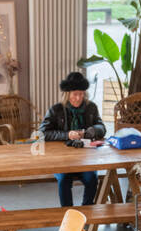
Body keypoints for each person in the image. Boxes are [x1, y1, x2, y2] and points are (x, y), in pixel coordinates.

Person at [39, 70, 107, 208]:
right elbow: (42, 133)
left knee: (92, 179)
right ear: (67, 94)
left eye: (81, 94)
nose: (78, 98)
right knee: (64, 180)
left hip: (86, 158)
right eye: (75, 94)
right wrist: (66, 135)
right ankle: (68, 213)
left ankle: (87, 210)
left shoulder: (91, 107)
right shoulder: (56, 109)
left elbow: (101, 126)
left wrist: (91, 131)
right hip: (62, 159)